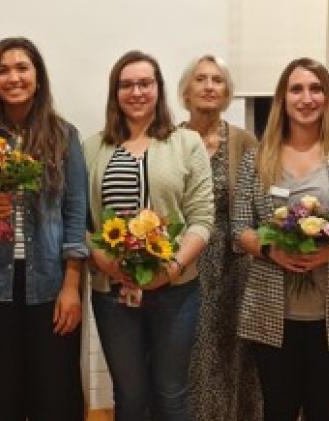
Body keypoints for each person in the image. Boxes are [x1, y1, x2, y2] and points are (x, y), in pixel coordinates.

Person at [232, 57, 329, 421]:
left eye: (316, 89)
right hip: (271, 308)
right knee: (277, 409)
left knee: (324, 410)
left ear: (328, 98)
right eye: (296, 89)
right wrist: (272, 251)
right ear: (282, 98)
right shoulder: (257, 160)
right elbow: (239, 229)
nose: (306, 98)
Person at [0, 37, 88, 421]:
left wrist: (71, 286)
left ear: (37, 76)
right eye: (3, 70)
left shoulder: (64, 137)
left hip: (50, 288)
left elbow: (76, 213)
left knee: (55, 397)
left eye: (22, 68)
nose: (13, 77)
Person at [84, 50, 213, 421]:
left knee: (172, 393)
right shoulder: (93, 148)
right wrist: (102, 258)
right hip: (113, 292)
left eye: (145, 83)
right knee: (130, 396)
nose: (136, 92)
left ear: (159, 89)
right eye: (126, 84)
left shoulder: (186, 143)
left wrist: (170, 267)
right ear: (115, 92)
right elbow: (81, 220)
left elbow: (202, 219)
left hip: (176, 290)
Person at [176, 54, 261, 421]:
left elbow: (258, 203)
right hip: (185, 260)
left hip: (235, 262)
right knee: (189, 349)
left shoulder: (245, 141)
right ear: (186, 90)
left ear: (227, 92)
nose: (209, 86)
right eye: (201, 79)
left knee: (235, 350)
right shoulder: (171, 139)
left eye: (217, 80)